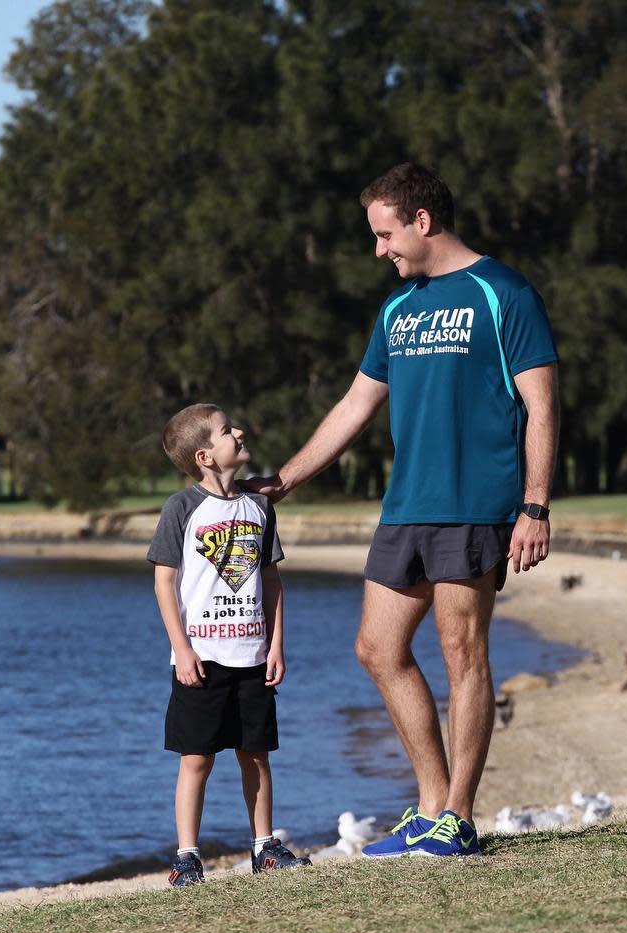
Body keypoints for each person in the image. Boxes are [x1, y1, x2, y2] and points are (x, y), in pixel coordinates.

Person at [254, 162, 560, 858]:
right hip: (406, 508)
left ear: (422, 221)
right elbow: (354, 404)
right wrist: (287, 479)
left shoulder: (502, 291)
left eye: (384, 233)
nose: (378, 249)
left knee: (461, 652)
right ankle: (427, 805)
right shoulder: (398, 310)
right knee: (377, 649)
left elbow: (541, 404)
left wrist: (534, 506)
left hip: (475, 501)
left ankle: (458, 815)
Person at [147, 403, 311, 884]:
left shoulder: (259, 507)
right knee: (196, 758)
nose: (238, 431)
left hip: (253, 656)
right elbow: (164, 584)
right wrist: (182, 649)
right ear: (204, 456)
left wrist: (276, 644)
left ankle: (264, 847)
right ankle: (186, 856)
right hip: (201, 658)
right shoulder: (181, 509)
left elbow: (272, 582)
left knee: (255, 754)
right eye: (225, 430)